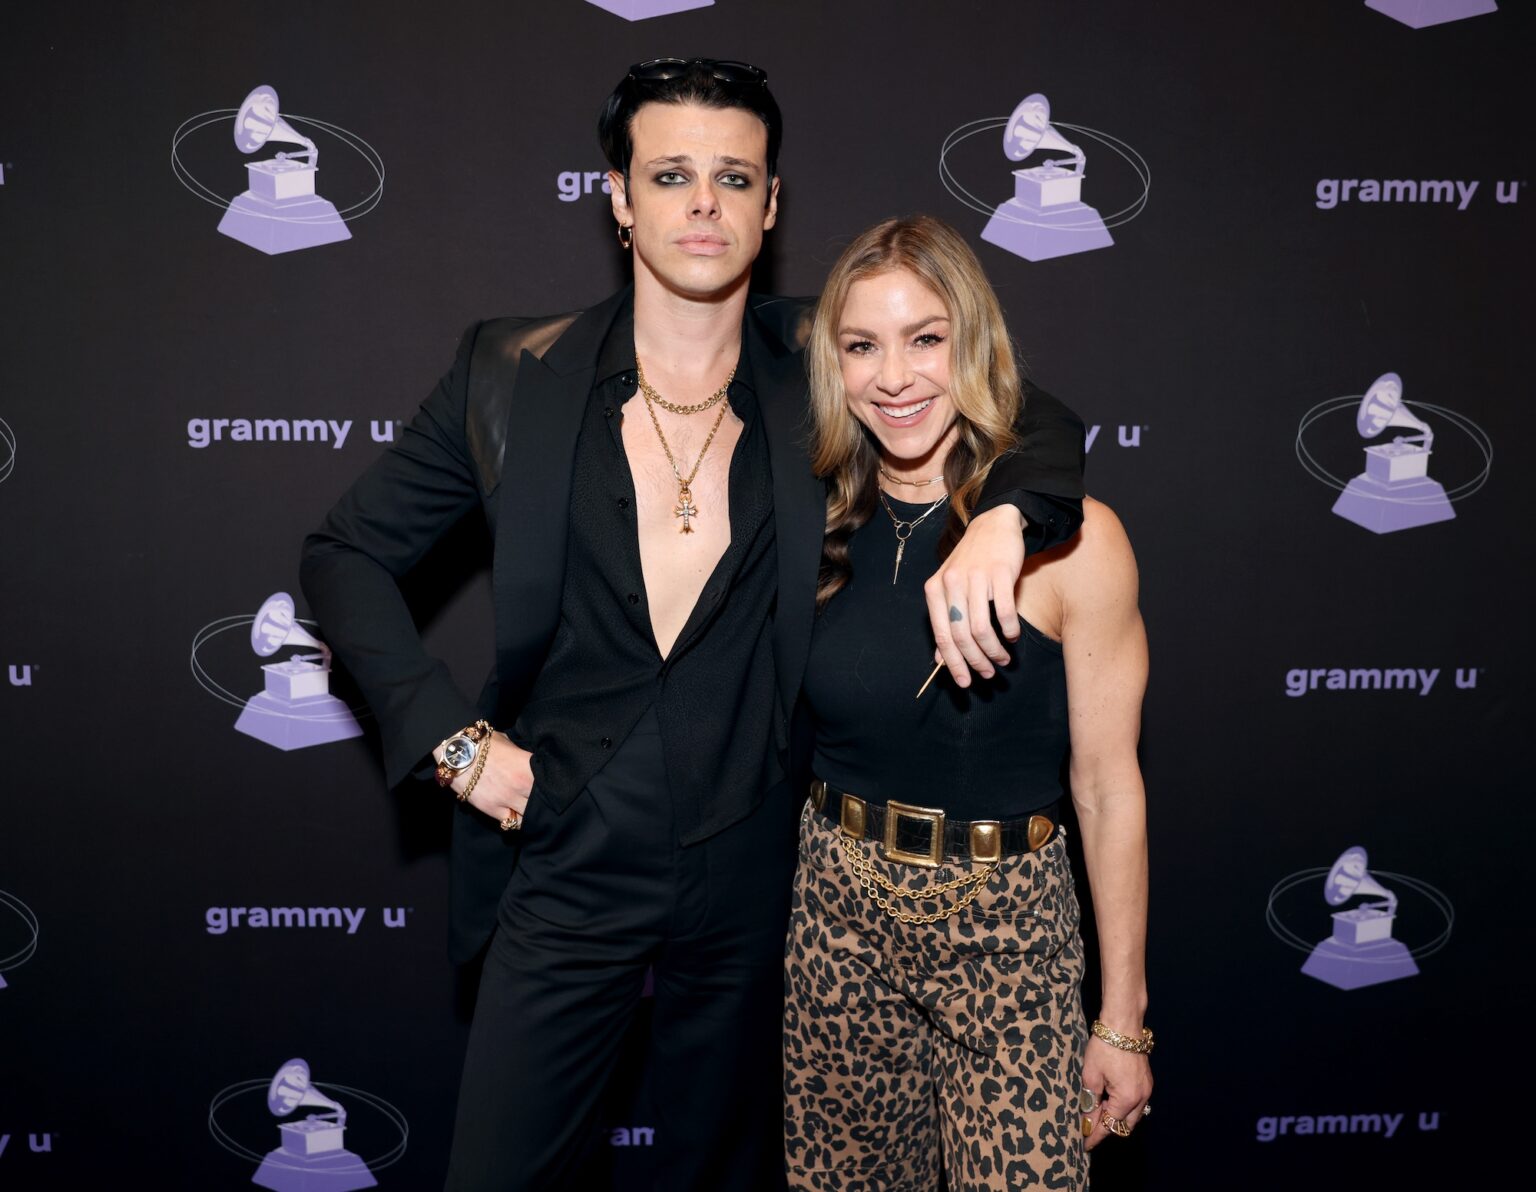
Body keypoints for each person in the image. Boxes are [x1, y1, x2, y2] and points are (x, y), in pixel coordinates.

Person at [299, 62, 1086, 1191]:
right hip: (565, 848)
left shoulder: (825, 364)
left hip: (758, 867)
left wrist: (1006, 516)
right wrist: (454, 745)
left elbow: (1027, 410)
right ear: (619, 198)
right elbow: (343, 554)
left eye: (735, 177)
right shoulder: (509, 373)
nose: (704, 202)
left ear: (772, 205)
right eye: (671, 176)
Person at [782, 215, 1152, 1191]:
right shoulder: (809, 519)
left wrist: (1122, 1019)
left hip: (1011, 932)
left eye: (926, 338)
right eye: (862, 346)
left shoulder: (1077, 544)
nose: (894, 377)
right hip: (836, 917)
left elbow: (1108, 787)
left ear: (973, 343)